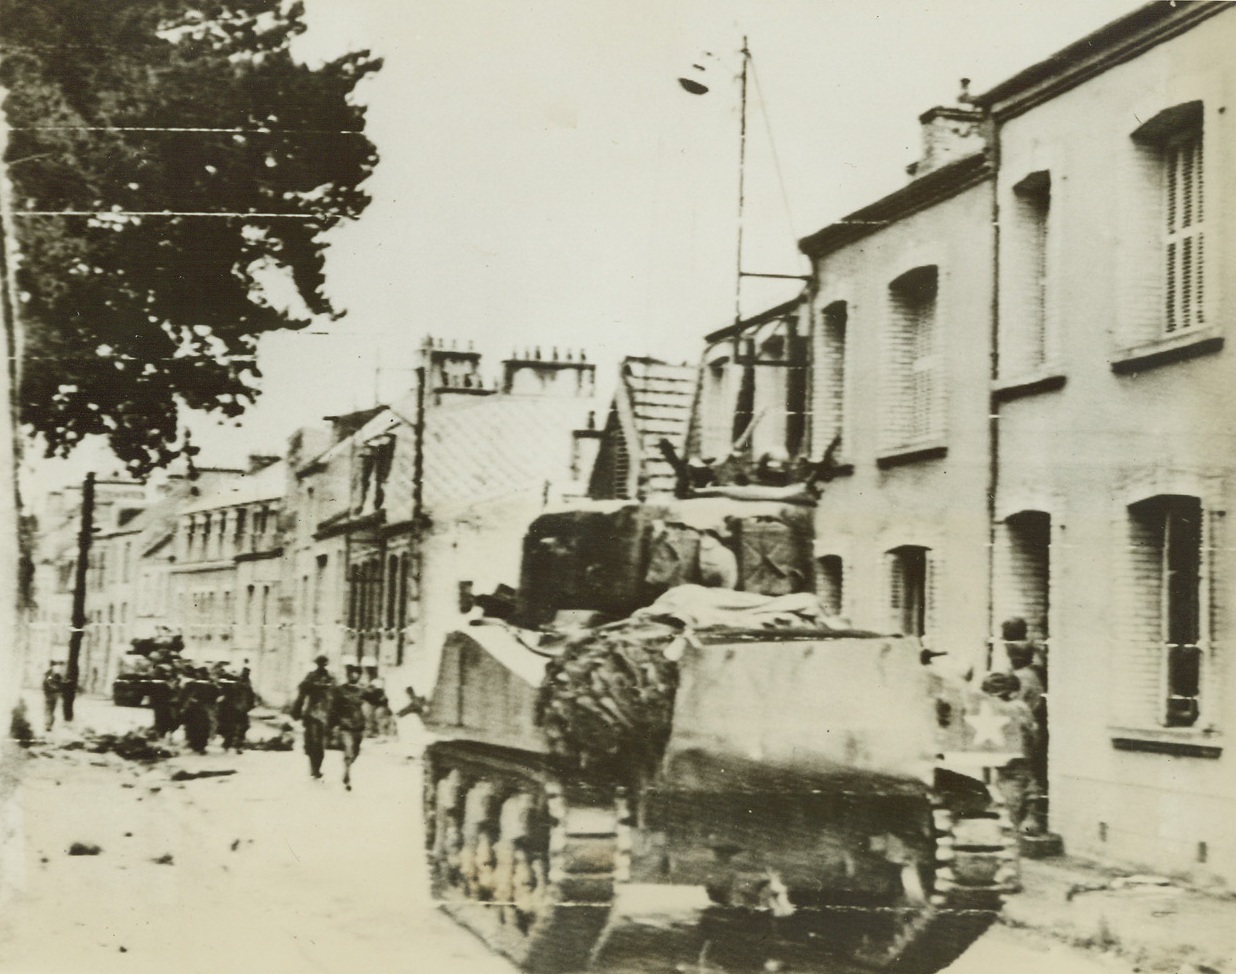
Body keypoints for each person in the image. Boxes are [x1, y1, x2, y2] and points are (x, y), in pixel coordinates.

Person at [980, 670, 1040, 832]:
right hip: (1019, 766)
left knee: (1010, 811)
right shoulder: (1020, 708)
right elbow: (1034, 735)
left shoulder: (998, 710)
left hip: (1010, 770)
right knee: (1018, 805)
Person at [290, 654, 335, 780]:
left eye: (323, 663)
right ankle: (314, 767)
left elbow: (335, 695)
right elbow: (302, 692)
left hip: (324, 715)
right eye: (319, 663)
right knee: (311, 742)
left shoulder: (330, 678)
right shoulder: (311, 676)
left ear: (325, 664)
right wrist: (297, 709)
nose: (321, 666)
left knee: (319, 743)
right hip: (311, 713)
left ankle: (317, 768)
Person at [329, 666, 374, 791]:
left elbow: (375, 699)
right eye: (352, 674)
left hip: (359, 725)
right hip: (345, 724)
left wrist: (375, 692)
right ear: (348, 675)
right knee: (348, 750)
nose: (354, 676)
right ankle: (347, 773)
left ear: (359, 676)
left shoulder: (362, 691)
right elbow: (334, 707)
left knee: (355, 752)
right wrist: (334, 724)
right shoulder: (340, 690)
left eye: (357, 674)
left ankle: (348, 767)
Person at [41, 661, 65, 733]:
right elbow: (60, 685)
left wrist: (47, 692)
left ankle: (48, 725)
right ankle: (49, 725)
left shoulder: (49, 674)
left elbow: (45, 684)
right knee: (50, 711)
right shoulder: (55, 675)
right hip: (53, 695)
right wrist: (58, 691)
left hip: (51, 695)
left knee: (49, 710)